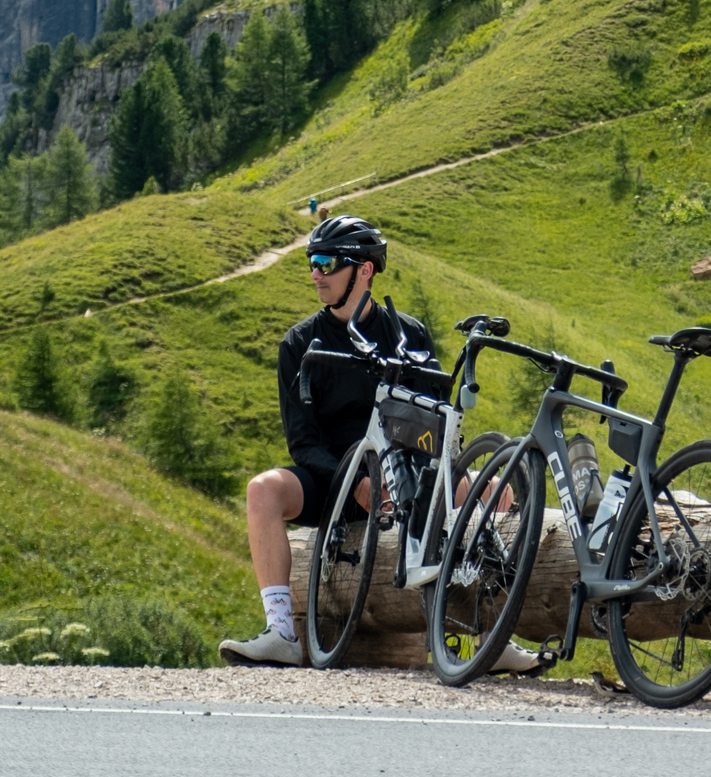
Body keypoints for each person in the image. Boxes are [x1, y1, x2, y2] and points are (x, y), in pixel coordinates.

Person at [218, 216, 541, 671]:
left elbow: (434, 423)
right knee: (262, 490)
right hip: (333, 479)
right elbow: (303, 443)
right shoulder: (298, 343)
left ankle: (492, 639)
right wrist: (354, 485)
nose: (316, 273)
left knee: (492, 490)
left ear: (364, 270)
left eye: (327, 262)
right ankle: (282, 633)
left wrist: (429, 477)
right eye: (312, 262)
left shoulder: (409, 334)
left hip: (402, 479)